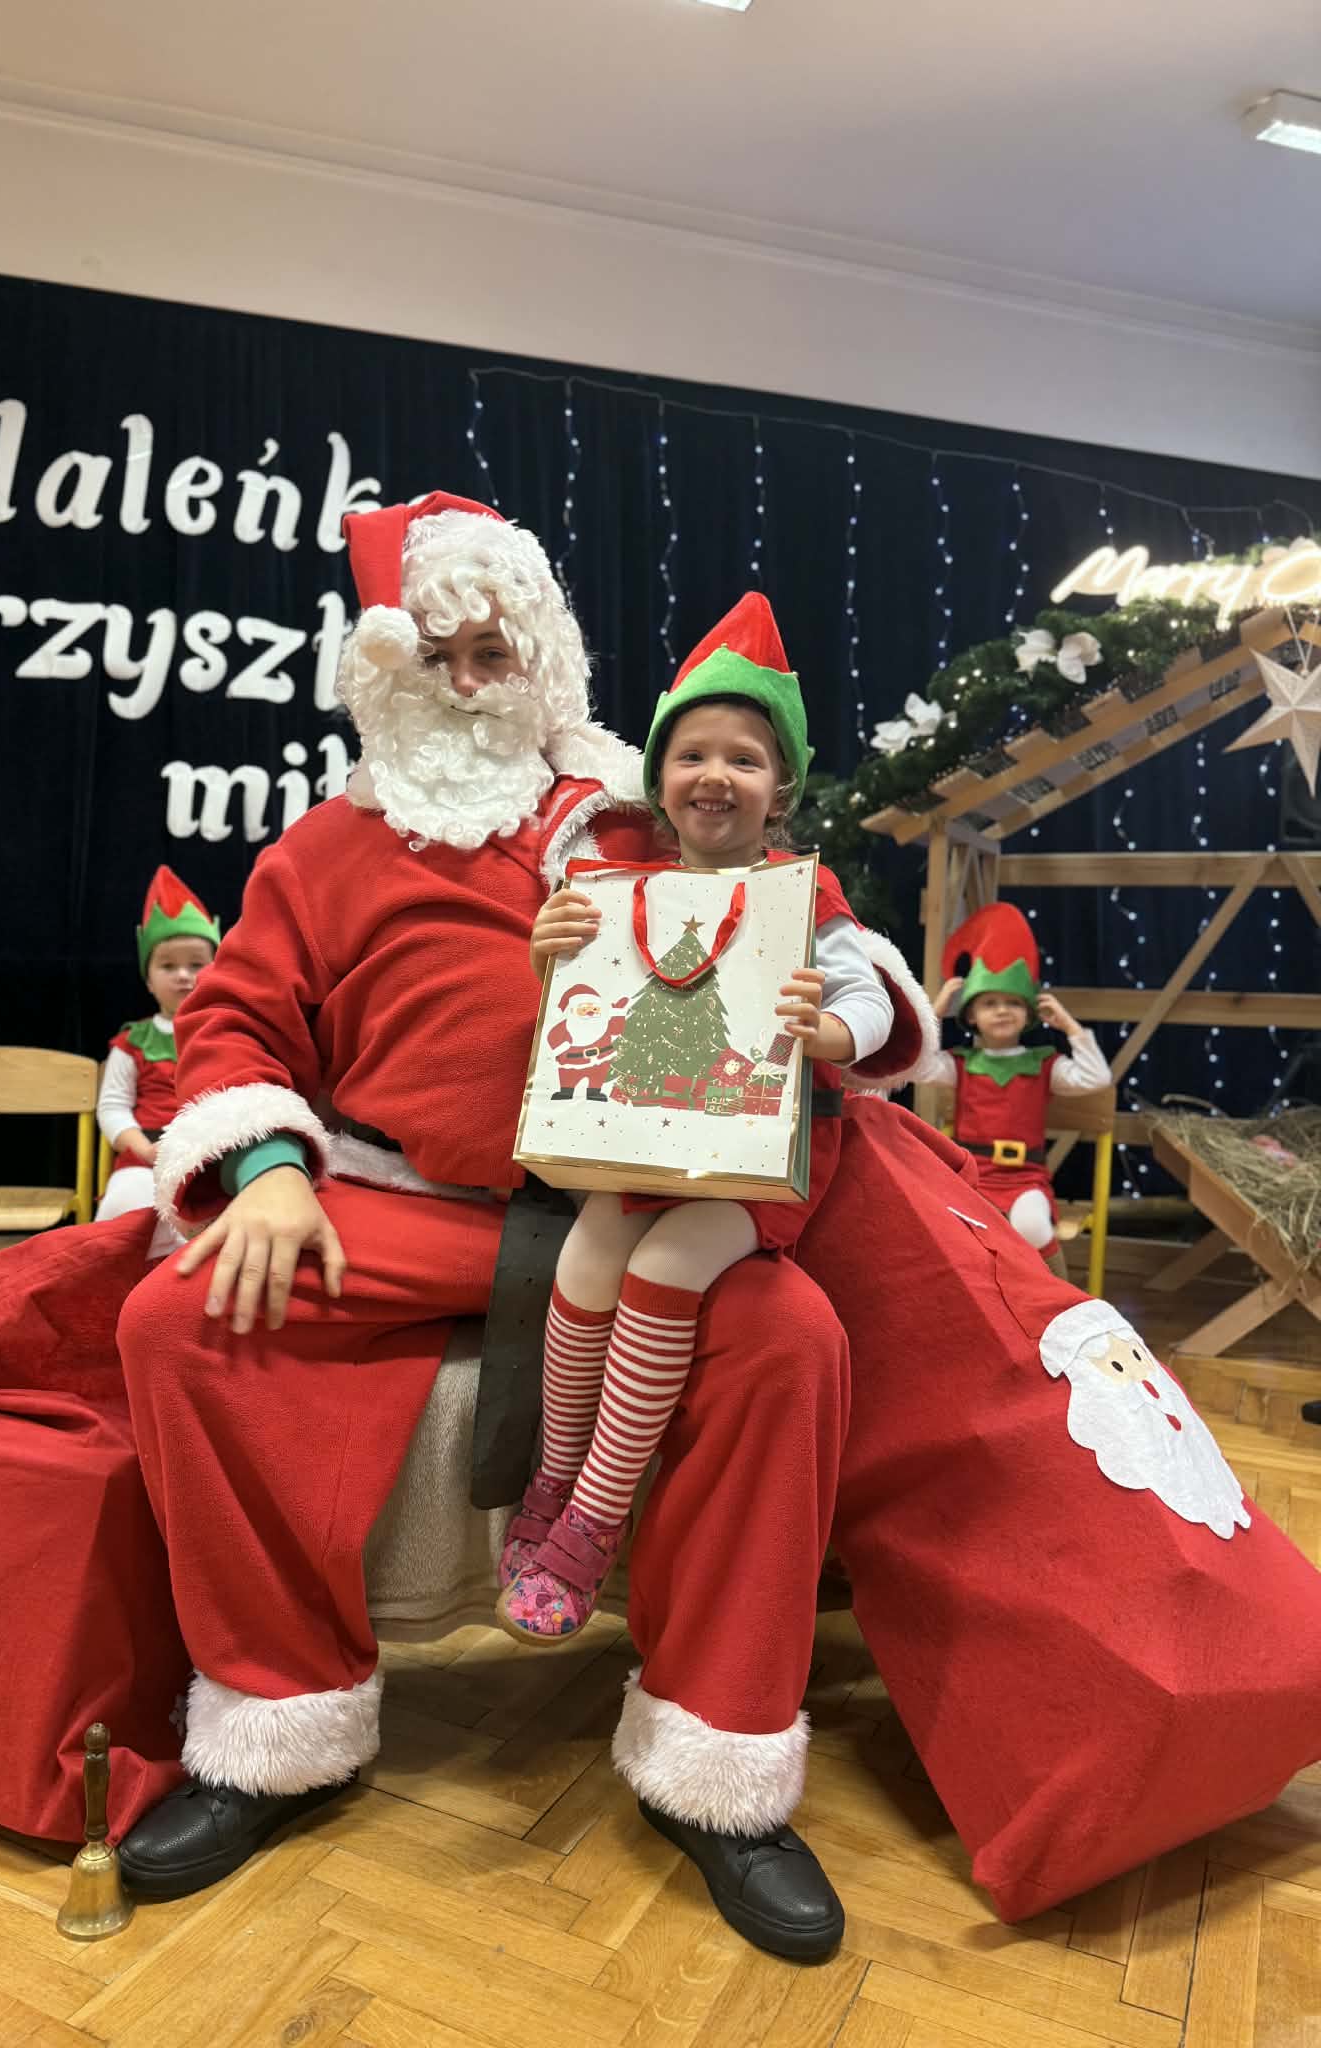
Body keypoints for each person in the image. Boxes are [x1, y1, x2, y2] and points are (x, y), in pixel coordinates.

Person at [111, 495, 932, 1961]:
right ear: (384, 674)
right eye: (436, 658)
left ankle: (717, 1762)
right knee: (184, 1320)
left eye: (494, 653)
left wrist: (848, 1012)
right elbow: (230, 1019)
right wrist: (269, 1168)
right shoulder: (321, 850)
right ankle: (277, 1725)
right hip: (401, 1207)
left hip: (634, 1195)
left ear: (542, 659)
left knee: (790, 1340)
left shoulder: (641, 805)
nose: (468, 684)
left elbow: (817, 926)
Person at [497, 595, 896, 1644]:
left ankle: (596, 1513)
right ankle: (552, 1477)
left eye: (744, 759)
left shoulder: (805, 893)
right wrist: (551, 953)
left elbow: (874, 1001)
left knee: (668, 1264)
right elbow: (580, 1006)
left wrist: (830, 1030)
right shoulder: (627, 889)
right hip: (644, 1143)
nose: (715, 775)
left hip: (755, 1160)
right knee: (589, 1255)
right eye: (692, 755)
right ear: (659, 777)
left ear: (781, 788)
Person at [913, 902, 1110, 1264]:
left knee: (1032, 1227)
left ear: (1029, 1013)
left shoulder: (1044, 1064)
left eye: (1013, 1003)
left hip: (1025, 1179)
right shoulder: (961, 1064)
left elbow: (1096, 1078)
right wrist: (935, 1011)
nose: (1002, 1010)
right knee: (950, 1230)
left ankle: (1053, 1294)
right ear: (972, 1015)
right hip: (971, 1176)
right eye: (990, 1003)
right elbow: (916, 1067)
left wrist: (1070, 1027)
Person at [94, 866, 219, 1257]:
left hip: (214, 1159)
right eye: (167, 966)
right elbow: (113, 1106)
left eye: (196, 965)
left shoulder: (228, 1035)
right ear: (148, 980)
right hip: (147, 1157)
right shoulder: (133, 1042)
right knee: (125, 1207)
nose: (182, 975)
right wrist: (142, 1148)